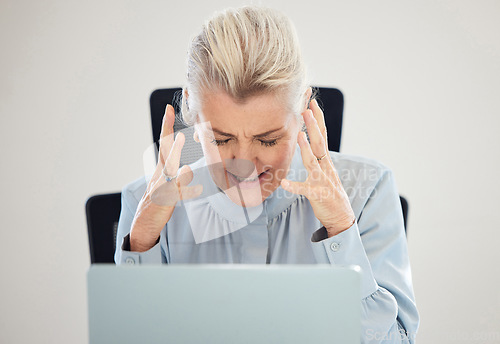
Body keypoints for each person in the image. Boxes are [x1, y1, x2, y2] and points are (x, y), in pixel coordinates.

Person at [115, 6, 419, 343]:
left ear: (303, 112)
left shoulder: (368, 191)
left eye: (268, 139)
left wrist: (342, 233)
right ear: (192, 114)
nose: (243, 162)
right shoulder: (142, 204)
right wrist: (142, 245)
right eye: (221, 139)